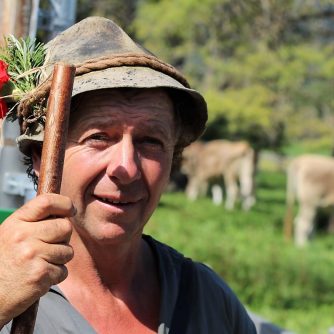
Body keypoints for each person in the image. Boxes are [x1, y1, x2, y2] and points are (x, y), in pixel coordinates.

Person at [0, 17, 256, 333]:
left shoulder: (208, 301)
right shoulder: (9, 293)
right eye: (99, 137)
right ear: (40, 157)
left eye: (151, 141)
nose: (128, 168)